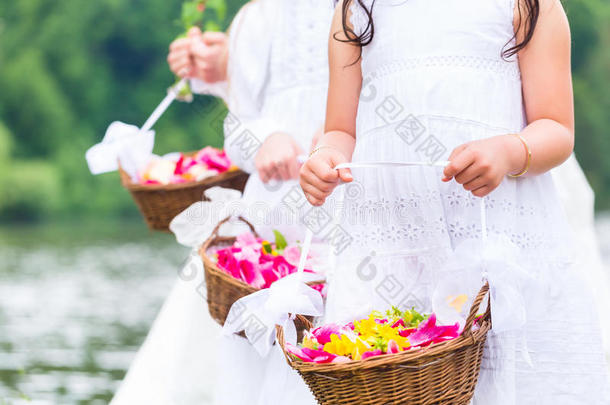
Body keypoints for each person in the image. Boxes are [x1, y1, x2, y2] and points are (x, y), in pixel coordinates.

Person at [300, 0, 610, 404]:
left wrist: (509, 150)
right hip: (392, 249)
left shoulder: (527, 6)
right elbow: (341, 129)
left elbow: (555, 128)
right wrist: (326, 156)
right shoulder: (357, 11)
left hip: (500, 244)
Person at [111, 1, 334, 404]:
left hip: (353, 198)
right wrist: (266, 137)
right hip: (276, 211)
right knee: (261, 351)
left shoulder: (374, 11)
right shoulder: (260, 16)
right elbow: (239, 120)